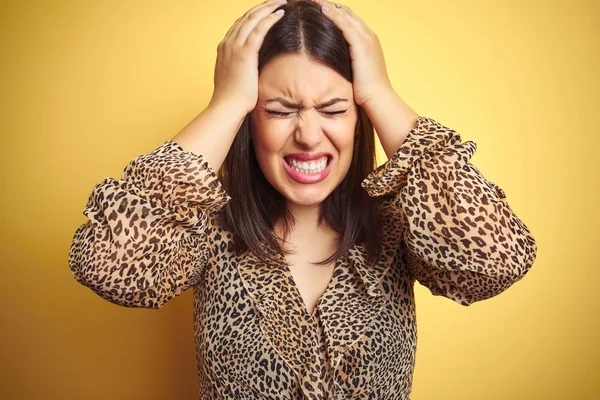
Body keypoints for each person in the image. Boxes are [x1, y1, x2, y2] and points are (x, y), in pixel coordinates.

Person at [68, 0, 538, 398]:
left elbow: (496, 261)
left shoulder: (398, 222)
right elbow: (111, 268)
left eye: (334, 109)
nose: (309, 136)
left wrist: (380, 92)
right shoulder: (208, 228)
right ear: (251, 120)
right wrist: (226, 102)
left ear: (361, 117)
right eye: (279, 110)